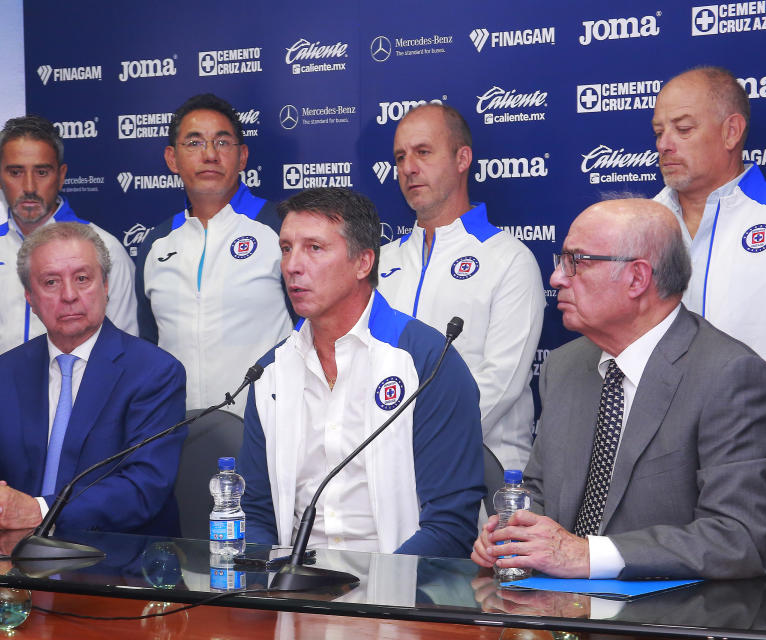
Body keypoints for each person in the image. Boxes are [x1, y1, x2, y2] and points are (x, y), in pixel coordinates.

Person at [471, 198, 766, 579]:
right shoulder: (565, 366)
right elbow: (540, 490)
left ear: (637, 278)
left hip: (671, 620)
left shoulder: (729, 377)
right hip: (559, 613)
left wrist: (587, 554)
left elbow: (738, 537)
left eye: (576, 262)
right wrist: (513, 533)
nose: (556, 278)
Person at [239, 188, 484, 558]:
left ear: (363, 263)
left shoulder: (427, 361)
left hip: (401, 594)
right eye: (287, 248)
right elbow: (257, 512)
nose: (291, 265)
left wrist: (379, 593)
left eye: (314, 248)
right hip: (293, 589)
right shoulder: (269, 373)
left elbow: (450, 526)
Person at [0, 223, 186, 536]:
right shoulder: (0, 375)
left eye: (82, 278)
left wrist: (37, 511)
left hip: (119, 564)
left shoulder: (154, 372)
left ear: (106, 285)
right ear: (30, 297)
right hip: (12, 563)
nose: (69, 295)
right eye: (51, 282)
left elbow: (143, 487)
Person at [651, 66, 766, 447]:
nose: (665, 144)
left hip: (762, 466)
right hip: (658, 471)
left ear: (731, 132)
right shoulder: (640, 226)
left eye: (683, 129)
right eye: (659, 131)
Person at [378, 104, 545, 471]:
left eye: (423, 152)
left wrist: (413, 445)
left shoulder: (509, 259)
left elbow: (500, 384)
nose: (408, 168)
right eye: (400, 157)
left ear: (462, 158)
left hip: (480, 474)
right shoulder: (379, 261)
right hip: (384, 468)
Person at [136, 93, 293, 414]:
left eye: (222, 143)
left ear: (243, 156)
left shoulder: (282, 228)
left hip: (266, 435)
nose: (209, 155)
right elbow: (148, 347)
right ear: (172, 159)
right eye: (193, 144)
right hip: (177, 437)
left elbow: (314, 329)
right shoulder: (156, 243)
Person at [0, 115, 137, 381]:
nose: (28, 187)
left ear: (61, 176)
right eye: (15, 172)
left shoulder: (104, 248)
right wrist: (5, 395)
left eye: (42, 172)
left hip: (78, 416)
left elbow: (125, 348)